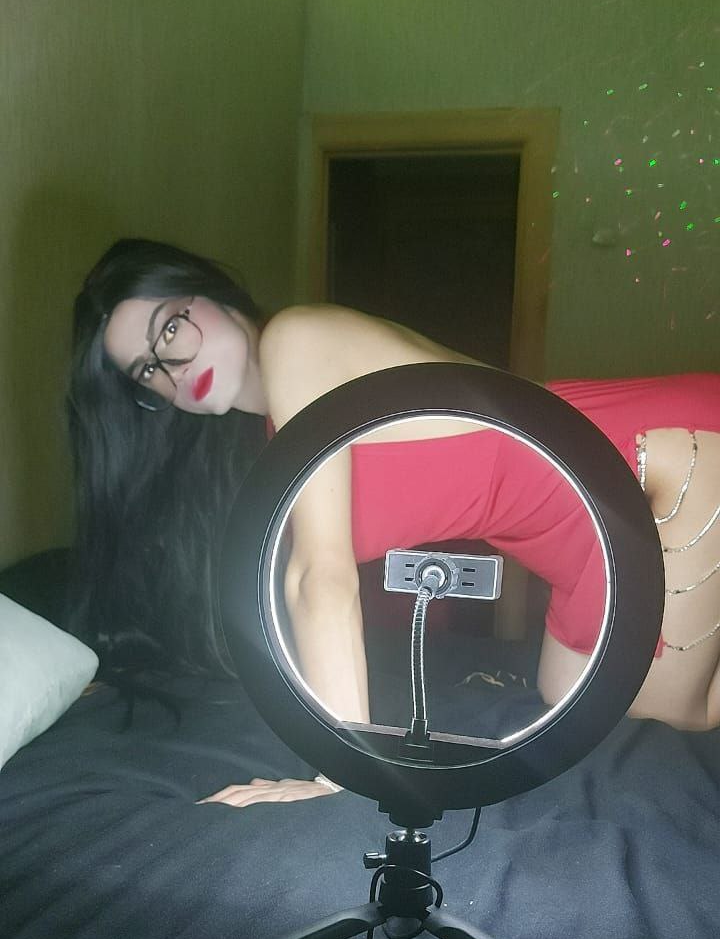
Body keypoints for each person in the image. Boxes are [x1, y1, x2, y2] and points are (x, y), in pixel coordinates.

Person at [67, 238, 720, 808]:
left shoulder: (298, 341)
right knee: (567, 694)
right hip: (584, 544)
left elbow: (320, 577)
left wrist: (343, 772)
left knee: (678, 715)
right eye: (146, 370)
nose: (172, 368)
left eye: (169, 329)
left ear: (209, 294)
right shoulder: (276, 433)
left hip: (650, 460)